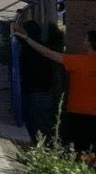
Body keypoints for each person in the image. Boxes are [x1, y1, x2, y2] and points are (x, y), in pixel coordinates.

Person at [12, 25, 96, 154]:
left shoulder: (78, 62)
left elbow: (48, 53)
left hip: (79, 112)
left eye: (85, 39)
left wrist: (27, 39)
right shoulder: (79, 61)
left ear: (89, 44)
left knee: (81, 149)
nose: (83, 42)